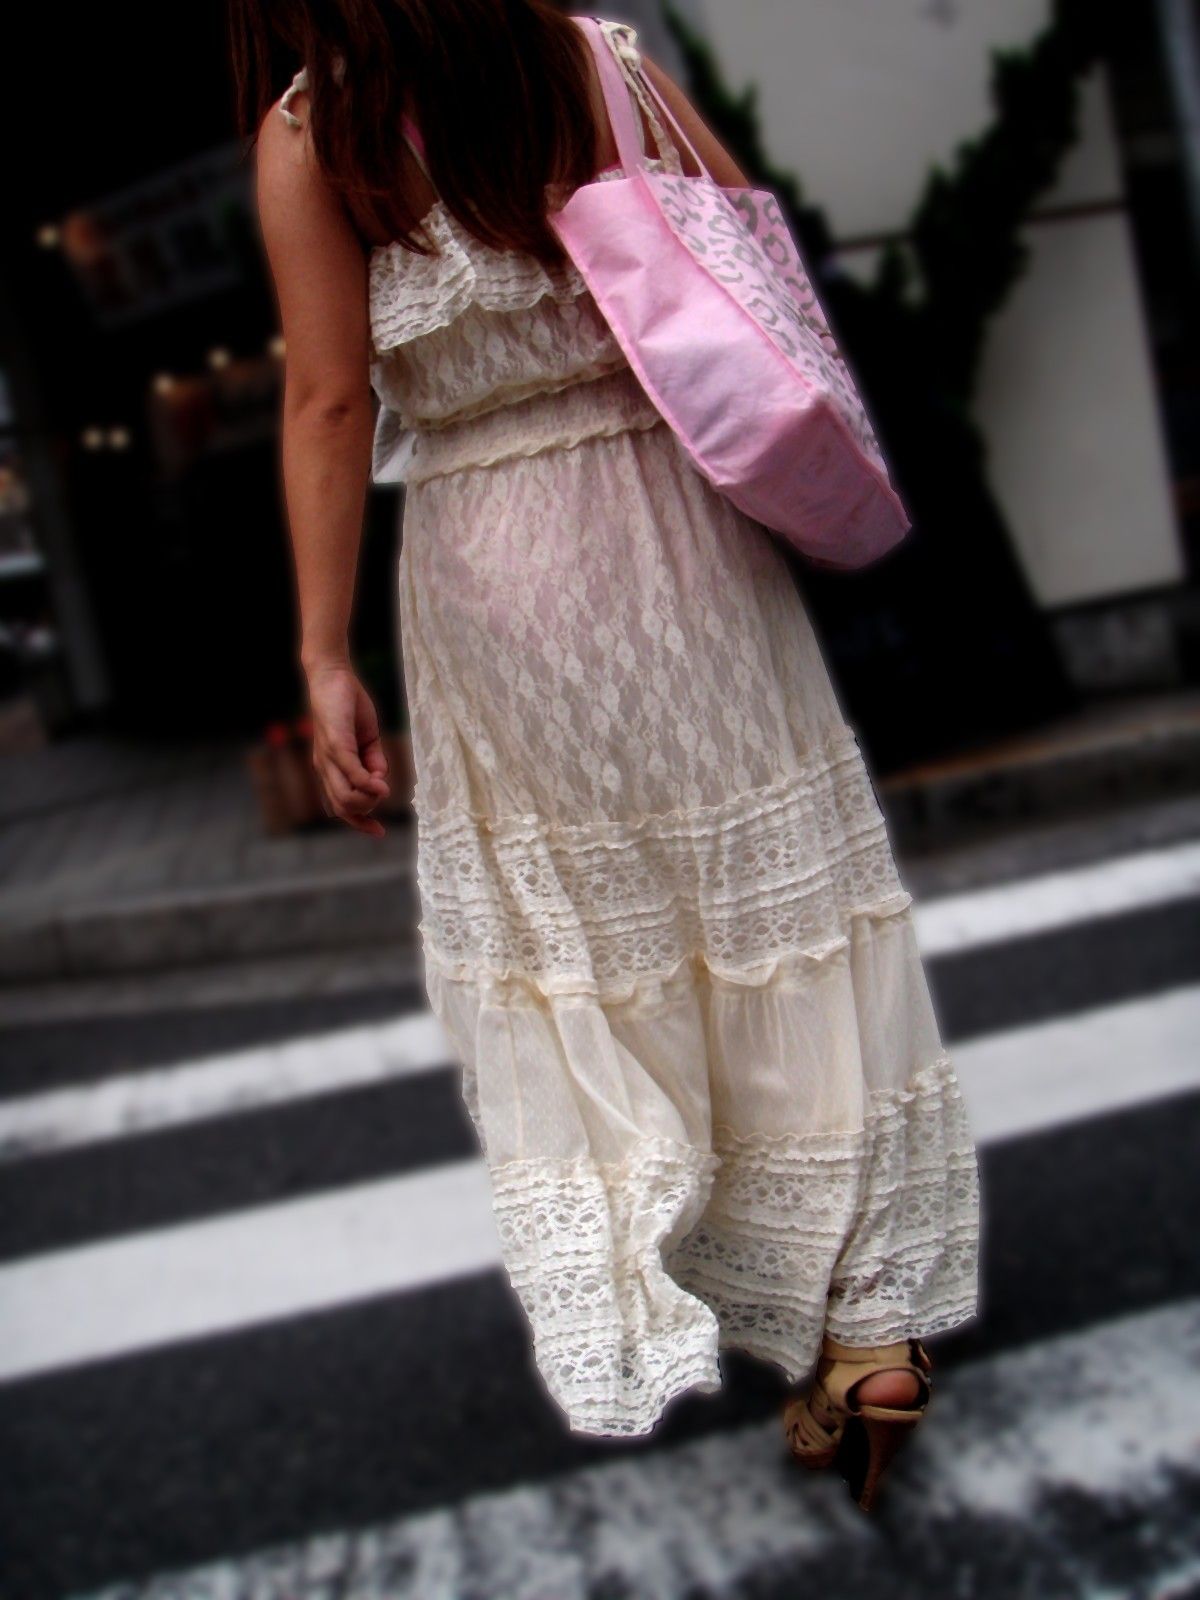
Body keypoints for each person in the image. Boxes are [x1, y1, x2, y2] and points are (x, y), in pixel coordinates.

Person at [240, 0, 982, 1508]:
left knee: (593, 933)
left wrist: (323, 657)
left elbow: (327, 399)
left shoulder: (318, 129)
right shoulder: (588, 51)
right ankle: (866, 1323)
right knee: (774, 905)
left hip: (494, 563)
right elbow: (735, 231)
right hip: (688, 533)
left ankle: (695, 1243)